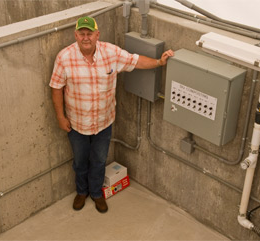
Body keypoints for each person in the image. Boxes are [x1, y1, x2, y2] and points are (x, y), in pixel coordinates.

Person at [49, 16, 174, 213]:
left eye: (89, 33)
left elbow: (136, 60)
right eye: (81, 33)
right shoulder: (64, 57)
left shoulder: (111, 53)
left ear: (97, 35)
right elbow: (56, 88)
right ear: (75, 35)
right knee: (80, 161)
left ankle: (97, 194)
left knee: (99, 161)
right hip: (76, 124)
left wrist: (159, 62)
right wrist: (60, 117)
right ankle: (82, 192)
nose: (85, 37)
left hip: (104, 122)